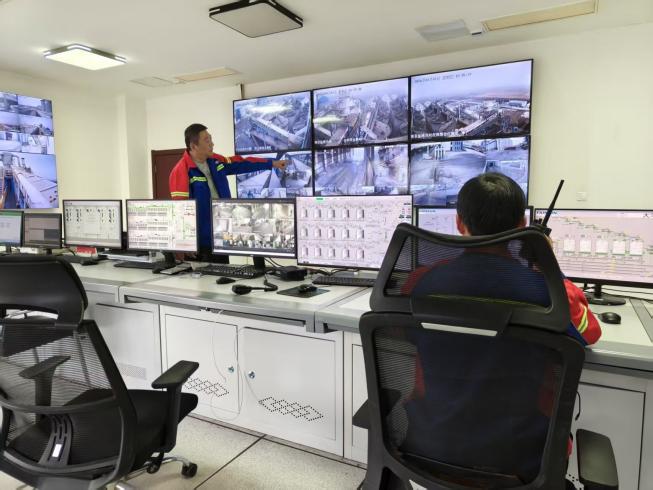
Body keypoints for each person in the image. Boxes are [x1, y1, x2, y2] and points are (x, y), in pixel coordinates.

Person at [400, 173, 601, 483]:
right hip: (526, 460)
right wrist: (547, 267)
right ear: (522, 225)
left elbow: (401, 332)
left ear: (458, 222)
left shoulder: (420, 283)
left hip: (433, 448)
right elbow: (590, 333)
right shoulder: (550, 294)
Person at [169, 123, 287, 259]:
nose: (212, 144)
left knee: (225, 271)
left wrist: (271, 163)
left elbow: (241, 163)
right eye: (207, 140)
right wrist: (185, 242)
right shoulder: (181, 171)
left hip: (221, 237)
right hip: (200, 245)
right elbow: (179, 210)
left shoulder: (215, 161)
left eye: (211, 139)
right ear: (193, 146)